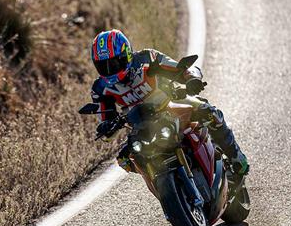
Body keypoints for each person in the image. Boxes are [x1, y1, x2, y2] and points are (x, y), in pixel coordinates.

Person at [89, 28, 249, 176]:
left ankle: (236, 156)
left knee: (210, 113)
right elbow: (107, 128)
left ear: (127, 55)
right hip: (142, 127)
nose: (110, 70)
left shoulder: (146, 59)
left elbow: (182, 69)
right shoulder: (100, 88)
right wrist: (106, 128)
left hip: (171, 104)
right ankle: (163, 184)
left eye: (114, 63)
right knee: (124, 161)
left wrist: (192, 79)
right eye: (103, 66)